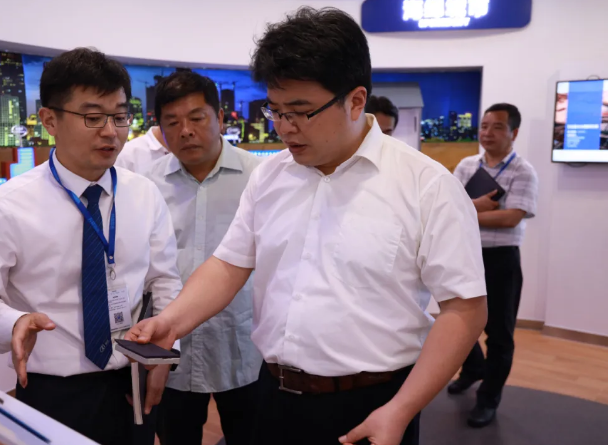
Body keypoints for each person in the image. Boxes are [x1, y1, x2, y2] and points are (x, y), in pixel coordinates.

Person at [125, 7, 487, 445]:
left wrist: (402, 409)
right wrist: (171, 322)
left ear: (356, 100)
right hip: (271, 394)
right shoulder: (270, 176)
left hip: (373, 403)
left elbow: (464, 309)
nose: (285, 128)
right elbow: (228, 265)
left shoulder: (426, 185)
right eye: (276, 111)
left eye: (300, 112)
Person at [0, 48, 183, 445]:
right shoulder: (7, 206)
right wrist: (12, 322)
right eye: (93, 117)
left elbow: (164, 281)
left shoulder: (144, 194)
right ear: (49, 121)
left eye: (120, 116)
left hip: (132, 378)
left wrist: (166, 353)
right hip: (51, 391)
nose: (111, 132)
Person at [145, 71, 264, 445]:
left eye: (197, 118)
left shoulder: (260, 178)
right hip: (172, 353)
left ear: (220, 118)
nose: (186, 131)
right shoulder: (146, 186)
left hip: (245, 349)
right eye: (172, 122)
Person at [450, 103, 539, 428]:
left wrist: (468, 210)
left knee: (499, 335)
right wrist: (477, 209)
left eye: (497, 127)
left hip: (502, 260)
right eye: (484, 126)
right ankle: (473, 367)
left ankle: (488, 399)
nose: (487, 133)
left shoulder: (523, 171)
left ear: (514, 132)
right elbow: (448, 206)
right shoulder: (466, 165)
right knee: (458, 323)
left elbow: (511, 217)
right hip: (467, 255)